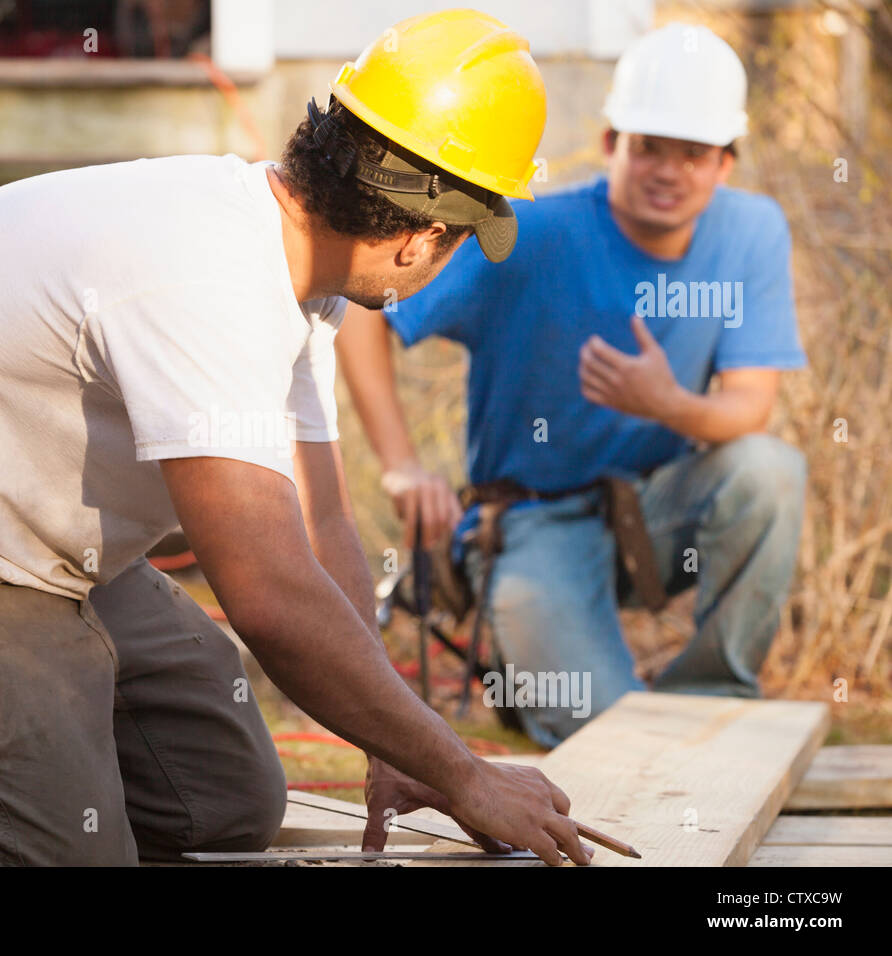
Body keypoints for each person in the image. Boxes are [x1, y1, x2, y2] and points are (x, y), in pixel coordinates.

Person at [0, 10, 594, 866]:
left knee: (225, 805)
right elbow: (272, 599)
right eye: (461, 244)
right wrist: (464, 775)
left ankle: (8, 754)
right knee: (70, 858)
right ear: (420, 238)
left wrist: (395, 744)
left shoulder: (298, 275)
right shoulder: (207, 281)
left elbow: (321, 534)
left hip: (30, 548)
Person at [337, 23, 806, 750]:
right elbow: (365, 312)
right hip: (534, 520)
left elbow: (752, 407)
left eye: (694, 154)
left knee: (770, 470)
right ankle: (546, 681)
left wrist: (667, 404)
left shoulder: (752, 233)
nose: (668, 170)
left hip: (656, 510)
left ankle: (710, 699)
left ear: (725, 164)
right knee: (613, 738)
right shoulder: (526, 233)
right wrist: (401, 463)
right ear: (613, 143)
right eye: (650, 146)